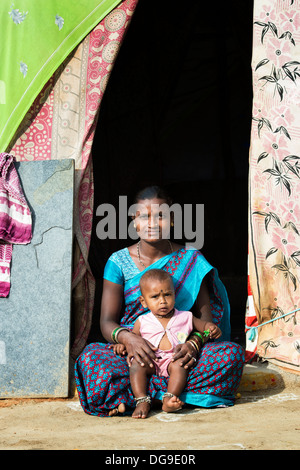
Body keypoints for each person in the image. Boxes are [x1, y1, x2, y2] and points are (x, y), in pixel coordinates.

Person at [75, 185, 245, 417]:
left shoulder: (190, 258)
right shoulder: (118, 262)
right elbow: (106, 322)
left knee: (231, 355)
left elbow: (207, 319)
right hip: (134, 357)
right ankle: (172, 395)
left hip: (181, 357)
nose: (152, 222)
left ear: (172, 219)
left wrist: (193, 346)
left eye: (161, 215)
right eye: (144, 216)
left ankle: (137, 397)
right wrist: (130, 339)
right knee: (91, 357)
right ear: (134, 221)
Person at [112, 268, 222, 418]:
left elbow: (203, 326)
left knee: (180, 365)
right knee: (136, 365)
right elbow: (133, 339)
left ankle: (169, 398)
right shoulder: (142, 321)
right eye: (155, 297)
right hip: (150, 360)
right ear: (143, 302)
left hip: (173, 359)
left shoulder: (186, 316)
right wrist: (122, 345)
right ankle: (142, 399)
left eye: (167, 295)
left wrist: (210, 328)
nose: (162, 301)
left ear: (175, 296)